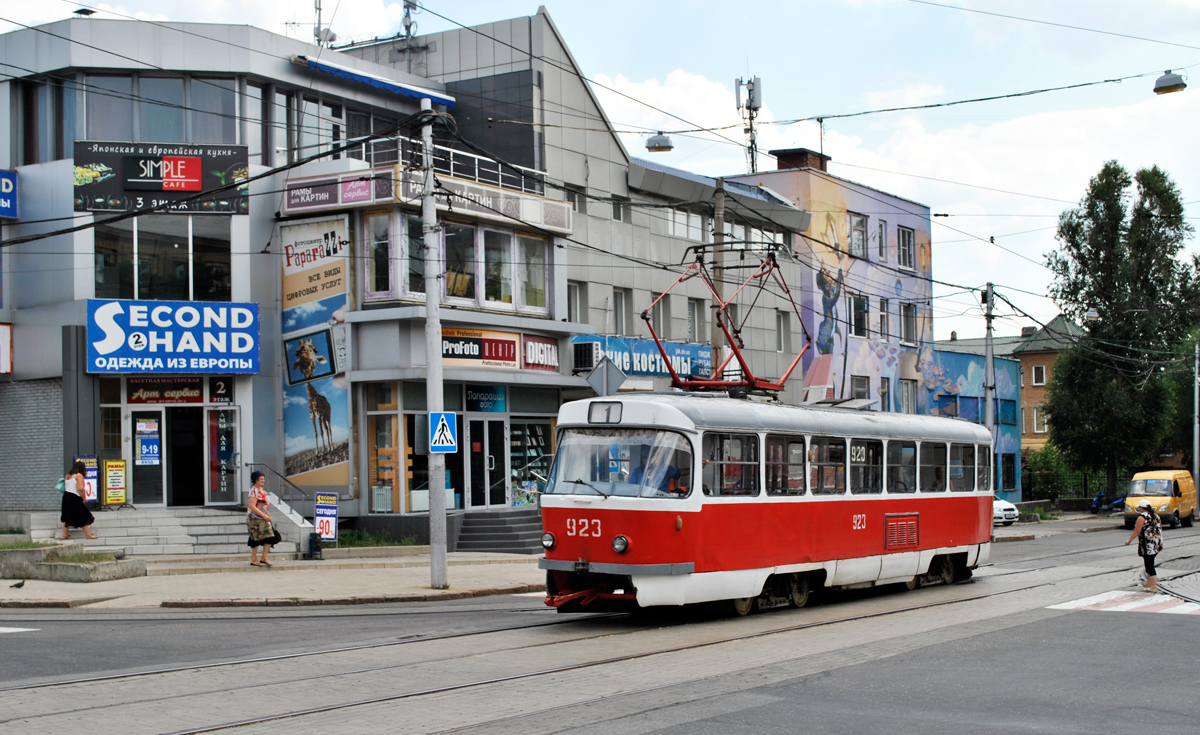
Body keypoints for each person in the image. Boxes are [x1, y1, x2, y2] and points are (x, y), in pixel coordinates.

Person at [1125, 498, 1163, 593]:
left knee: (1149, 564)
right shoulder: (1156, 516)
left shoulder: (1142, 517)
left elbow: (1137, 531)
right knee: (1149, 562)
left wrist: (1129, 540)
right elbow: (1160, 528)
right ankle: (1149, 583)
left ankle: (1153, 586)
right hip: (1156, 544)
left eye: (1140, 508)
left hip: (1147, 544)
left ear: (1142, 508)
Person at [60, 461, 98, 540]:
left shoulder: (68, 476)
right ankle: (88, 535)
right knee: (83, 515)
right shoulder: (79, 476)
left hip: (66, 497)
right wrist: (84, 497)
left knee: (67, 515)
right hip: (75, 497)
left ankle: (64, 535)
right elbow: (80, 488)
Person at [246, 471, 274, 567]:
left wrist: (268, 516)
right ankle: (254, 559)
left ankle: (264, 557)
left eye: (263, 479)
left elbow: (264, 505)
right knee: (256, 538)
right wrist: (264, 516)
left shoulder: (262, 490)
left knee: (269, 536)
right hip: (254, 518)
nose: (263, 480)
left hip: (263, 517)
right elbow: (252, 506)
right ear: (256, 480)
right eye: (261, 479)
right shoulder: (253, 491)